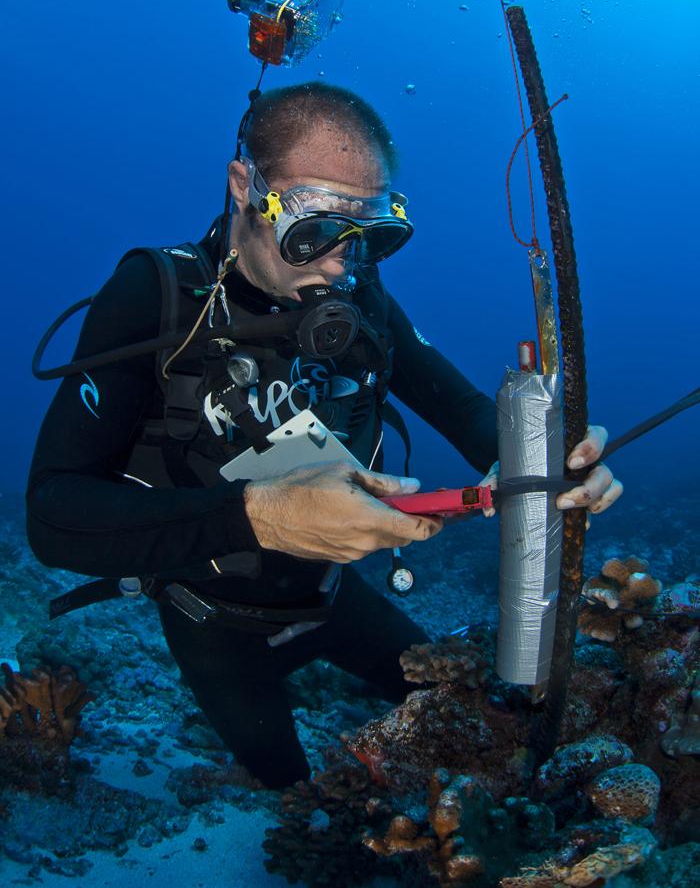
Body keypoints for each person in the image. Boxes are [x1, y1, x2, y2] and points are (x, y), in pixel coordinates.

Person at [26, 82, 622, 789]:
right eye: (313, 229)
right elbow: (53, 516)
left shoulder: (361, 293)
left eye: (369, 236)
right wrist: (259, 514)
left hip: (335, 597)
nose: (339, 263)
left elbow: (461, 408)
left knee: (481, 724)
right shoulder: (156, 298)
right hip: (214, 623)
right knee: (298, 800)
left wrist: (545, 461)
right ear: (245, 184)